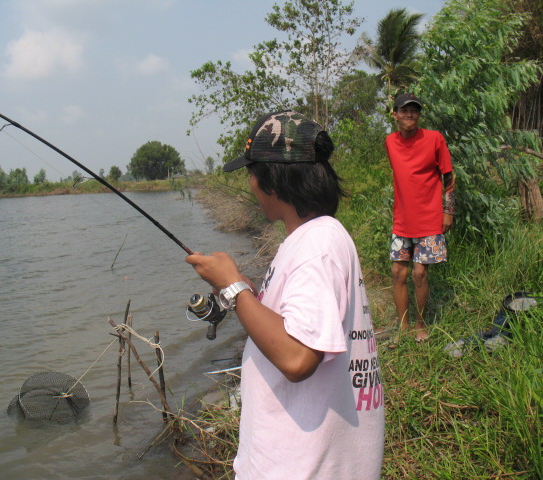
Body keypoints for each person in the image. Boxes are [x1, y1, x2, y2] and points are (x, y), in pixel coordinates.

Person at [186, 111, 384, 479]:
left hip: (302, 467)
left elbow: (297, 358)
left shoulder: (315, 246)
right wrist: (241, 288)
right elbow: (295, 323)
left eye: (251, 173)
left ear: (273, 180)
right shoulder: (317, 236)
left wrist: (233, 286)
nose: (249, 184)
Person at [386, 93, 455, 344]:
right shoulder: (390, 142)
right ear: (395, 115)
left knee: (419, 274)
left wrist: (449, 211)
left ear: (419, 114)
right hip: (402, 220)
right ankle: (403, 326)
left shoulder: (434, 138)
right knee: (397, 273)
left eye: (414, 110)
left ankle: (420, 325)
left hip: (429, 218)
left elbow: (449, 177)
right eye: (404, 111)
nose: (410, 115)